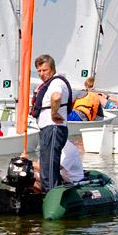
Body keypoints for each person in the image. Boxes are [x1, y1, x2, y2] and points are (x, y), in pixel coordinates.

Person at [29, 54, 72, 192]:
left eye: (44, 70)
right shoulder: (48, 84)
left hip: (54, 128)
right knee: (46, 165)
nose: (41, 74)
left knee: (50, 165)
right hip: (47, 128)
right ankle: (46, 192)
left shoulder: (56, 83)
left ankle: (52, 194)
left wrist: (54, 113)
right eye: (39, 71)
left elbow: (56, 96)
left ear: (52, 69)